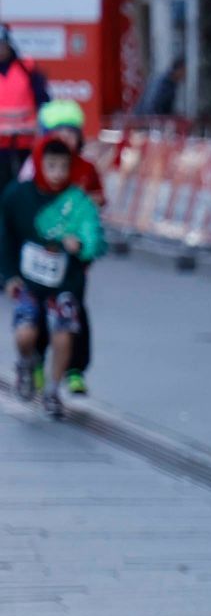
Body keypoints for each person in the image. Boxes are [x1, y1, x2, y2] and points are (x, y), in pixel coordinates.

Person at [4, 137, 107, 419]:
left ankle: (52, 390)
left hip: (66, 282)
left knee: (64, 332)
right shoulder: (18, 196)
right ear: (38, 164)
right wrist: (9, 274)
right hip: (29, 282)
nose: (57, 173)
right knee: (25, 333)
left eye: (63, 167)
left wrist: (81, 247)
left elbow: (96, 243)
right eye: (51, 166)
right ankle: (27, 362)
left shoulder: (77, 202)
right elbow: (5, 236)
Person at [22, 101, 105, 396]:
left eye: (71, 133)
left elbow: (97, 203)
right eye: (59, 133)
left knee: (74, 310)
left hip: (74, 257)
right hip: (42, 256)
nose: (66, 139)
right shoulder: (34, 167)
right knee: (41, 312)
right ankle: (37, 360)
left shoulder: (86, 169)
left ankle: (74, 369)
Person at [0, 25, 52, 184]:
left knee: (23, 184)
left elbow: (43, 99)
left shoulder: (26, 69)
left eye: (2, 45)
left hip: (25, 143)